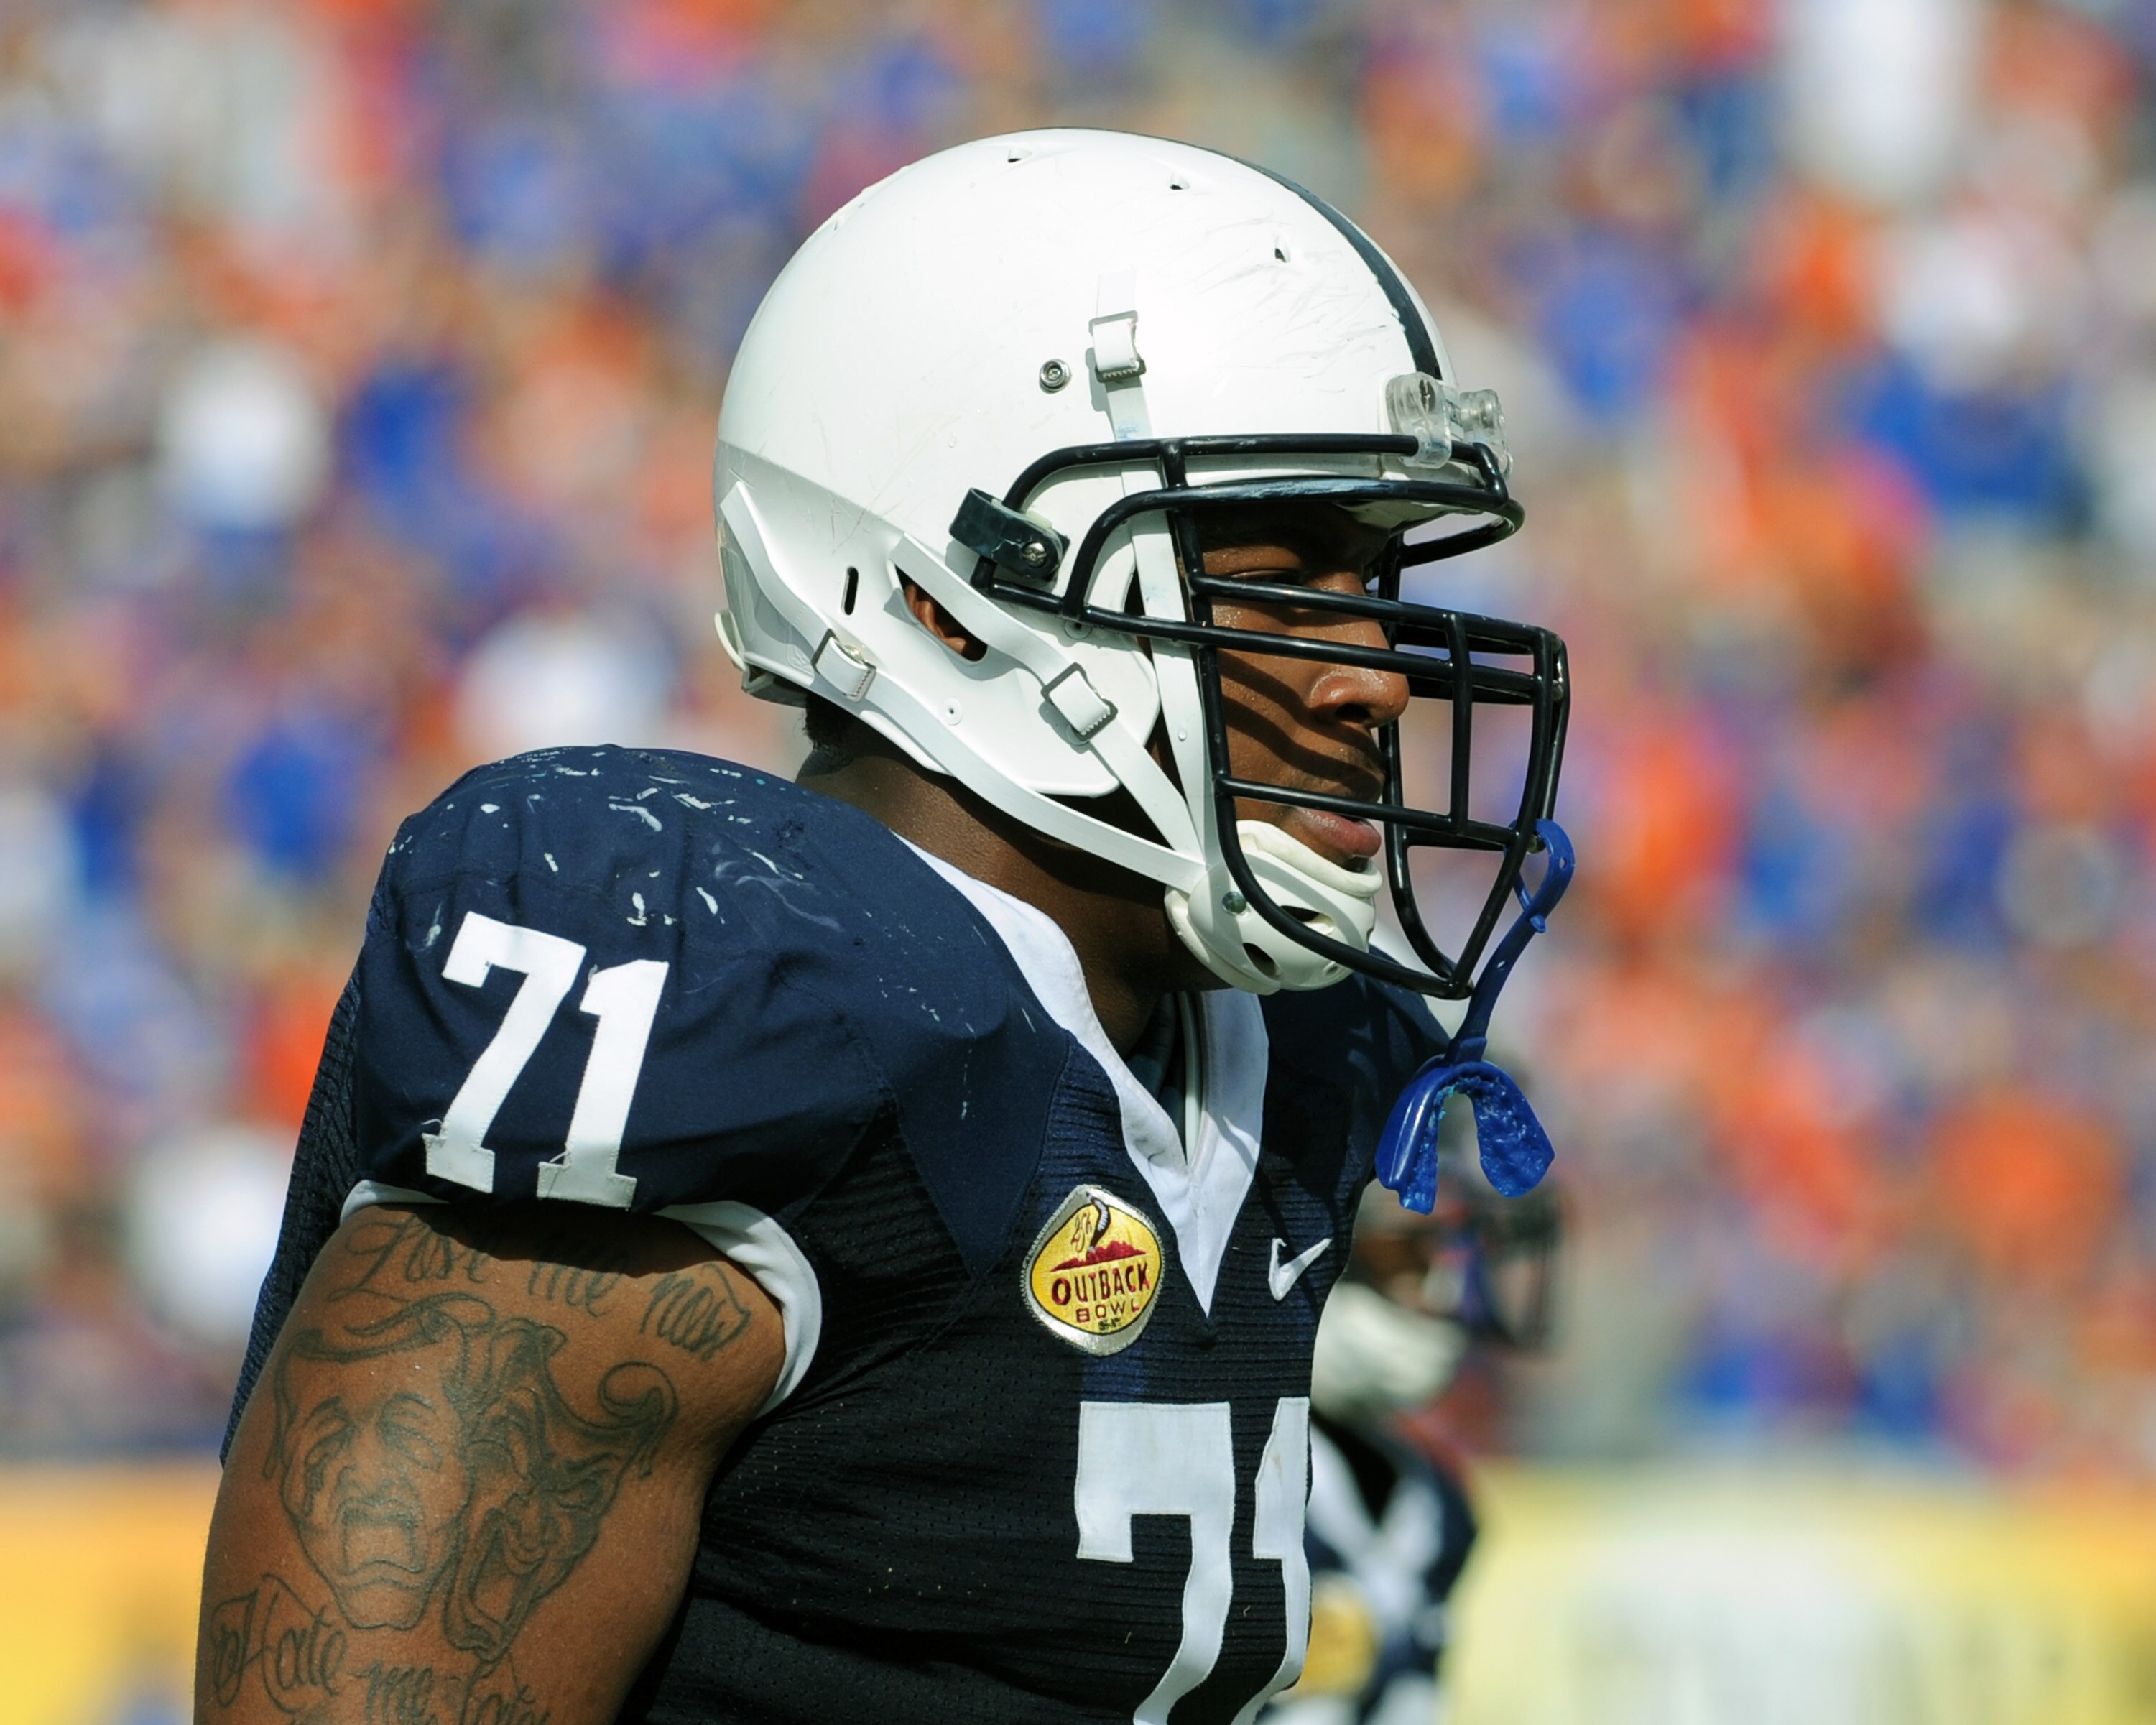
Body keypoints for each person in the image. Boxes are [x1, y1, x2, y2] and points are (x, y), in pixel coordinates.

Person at [196, 130, 1571, 1725]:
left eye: (1376, 582)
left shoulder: (1284, 1062)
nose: (1374, 673)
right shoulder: (751, 1014)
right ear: (953, 589)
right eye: (1277, 585)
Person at [1266, 1170, 1561, 1725]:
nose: (1441, 1292)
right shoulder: (1224, 1477)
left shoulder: (1437, 1506)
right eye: (1405, 1255)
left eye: (1448, 1258)